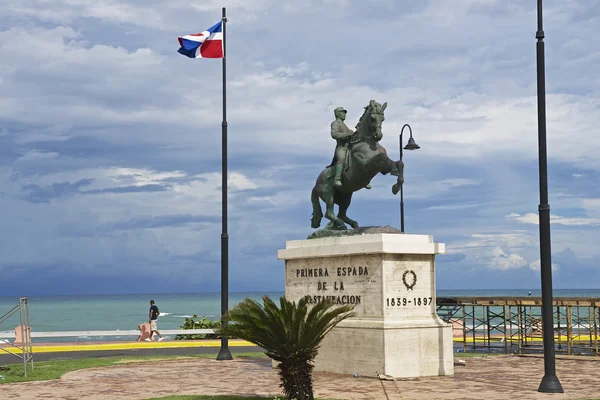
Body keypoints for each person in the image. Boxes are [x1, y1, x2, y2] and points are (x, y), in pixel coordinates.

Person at [330, 107, 371, 189]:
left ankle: (364, 180)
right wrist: (347, 134)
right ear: (338, 114)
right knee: (341, 158)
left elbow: (350, 136)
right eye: (343, 112)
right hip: (341, 147)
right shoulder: (335, 123)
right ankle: (337, 178)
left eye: (344, 113)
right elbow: (334, 134)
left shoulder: (344, 125)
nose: (345, 114)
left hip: (349, 147)